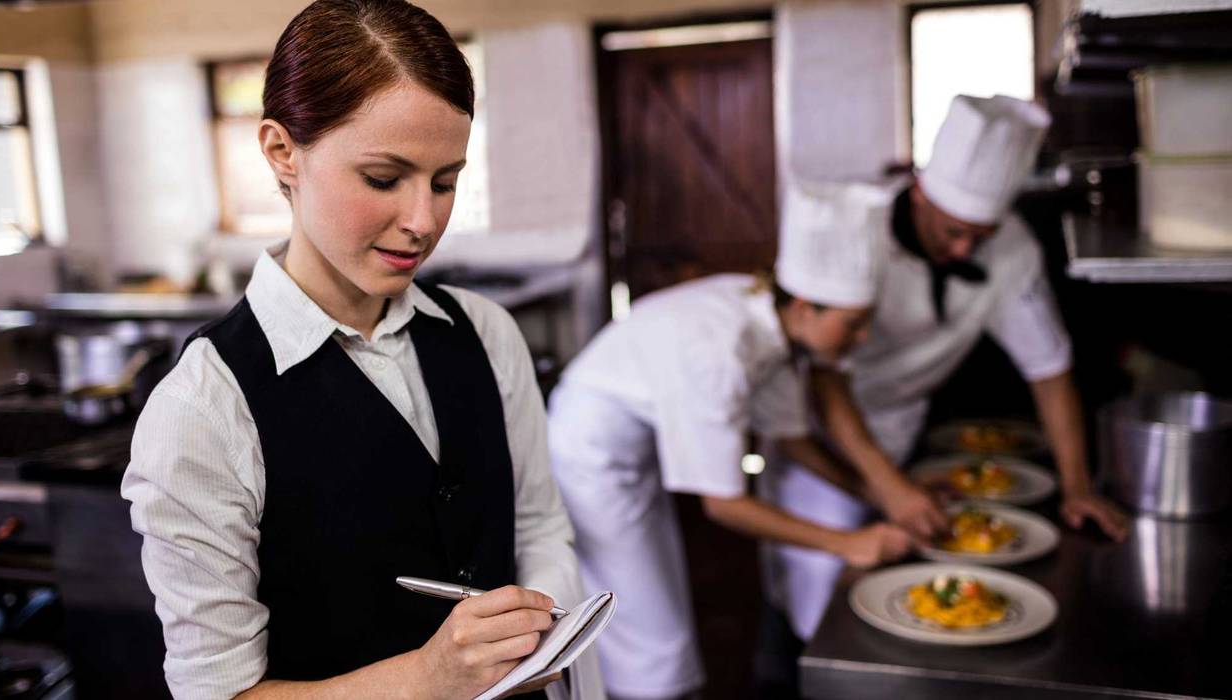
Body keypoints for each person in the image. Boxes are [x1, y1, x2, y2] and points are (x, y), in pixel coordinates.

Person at [120, 2, 602, 698]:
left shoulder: (486, 333)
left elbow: (537, 524)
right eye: (383, 179)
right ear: (282, 152)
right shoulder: (203, 409)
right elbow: (216, 692)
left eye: (445, 181)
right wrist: (430, 677)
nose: (423, 221)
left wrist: (537, 643)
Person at [760, 94, 1130, 658]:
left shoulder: (1012, 250)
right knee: (817, 585)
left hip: (903, 425)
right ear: (920, 193)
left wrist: (1077, 486)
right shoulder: (860, 228)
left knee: (890, 594)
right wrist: (885, 486)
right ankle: (789, 674)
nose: (964, 249)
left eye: (980, 236)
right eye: (954, 231)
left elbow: (1049, 371)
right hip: (819, 433)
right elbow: (826, 378)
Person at [547, 180, 914, 700]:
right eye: (853, 325)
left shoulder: (771, 324)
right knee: (647, 629)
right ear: (806, 306)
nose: (864, 340)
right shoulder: (719, 350)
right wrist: (847, 542)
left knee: (651, 605)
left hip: (635, 453)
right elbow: (723, 505)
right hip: (593, 456)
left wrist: (875, 495)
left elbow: (791, 439)